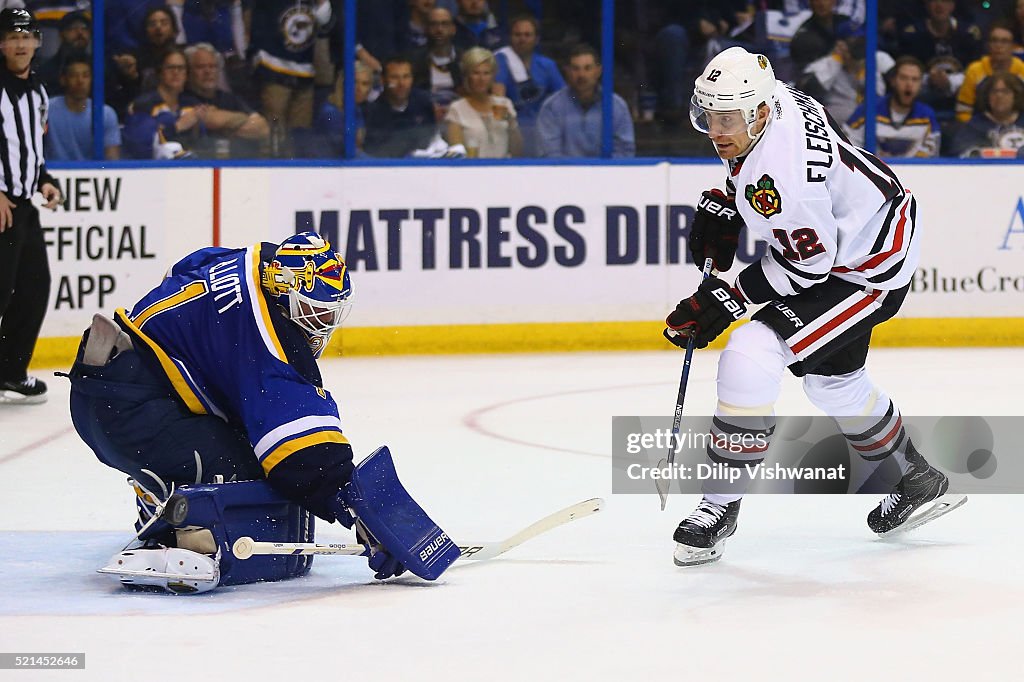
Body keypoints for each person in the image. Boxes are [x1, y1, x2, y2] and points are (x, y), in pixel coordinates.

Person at [665, 46, 964, 566]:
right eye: (709, 116)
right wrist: (734, 204)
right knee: (833, 382)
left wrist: (727, 297)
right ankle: (914, 475)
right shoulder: (775, 97)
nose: (716, 130)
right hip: (873, 226)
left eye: (727, 119)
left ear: (759, 112)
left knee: (751, 350)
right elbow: (790, 188)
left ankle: (719, 506)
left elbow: (808, 268)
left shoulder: (785, 179)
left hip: (867, 267)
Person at [66, 231, 460, 593]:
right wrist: (356, 512)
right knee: (253, 469)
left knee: (244, 432)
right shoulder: (271, 342)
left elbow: (183, 268)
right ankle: (185, 533)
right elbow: (305, 457)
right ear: (288, 295)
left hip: (114, 384)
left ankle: (163, 493)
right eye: (317, 313)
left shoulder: (256, 261)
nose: (322, 325)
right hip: (127, 412)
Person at [0, 8, 62, 405]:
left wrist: (45, 181)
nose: (20, 43)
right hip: (1, 206)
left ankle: (9, 371)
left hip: (24, 205)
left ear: (37, 41)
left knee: (34, 287)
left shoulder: (38, 91)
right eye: (12, 35)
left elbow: (31, 151)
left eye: (27, 35)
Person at [536, 44, 635, 158]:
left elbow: (625, 152)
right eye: (575, 69)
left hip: (606, 175)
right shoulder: (552, 106)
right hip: (565, 175)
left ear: (598, 71)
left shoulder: (616, 106)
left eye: (587, 68)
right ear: (567, 72)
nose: (581, 75)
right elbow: (550, 154)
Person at [184, 42, 270, 158]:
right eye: (200, 67)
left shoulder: (229, 98)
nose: (208, 72)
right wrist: (243, 119)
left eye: (212, 66)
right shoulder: (185, 98)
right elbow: (212, 120)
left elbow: (262, 128)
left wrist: (225, 125)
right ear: (188, 71)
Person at [494, 14, 563, 156]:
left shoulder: (547, 65)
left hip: (542, 129)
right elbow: (498, 98)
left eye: (527, 35)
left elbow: (563, 97)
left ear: (536, 39)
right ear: (509, 38)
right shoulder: (500, 60)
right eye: (517, 34)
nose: (522, 39)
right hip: (510, 129)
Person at [846, 56, 940, 158]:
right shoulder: (868, 110)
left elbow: (929, 157)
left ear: (921, 84)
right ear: (893, 81)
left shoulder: (927, 116)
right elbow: (847, 146)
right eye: (903, 78)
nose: (909, 84)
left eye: (915, 79)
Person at [122, 47, 202, 159]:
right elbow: (140, 144)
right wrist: (177, 127)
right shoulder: (144, 105)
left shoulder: (191, 104)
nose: (176, 72)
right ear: (160, 72)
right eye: (170, 68)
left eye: (181, 68)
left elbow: (202, 141)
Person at [445, 47, 521, 157]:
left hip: (503, 170)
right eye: (476, 73)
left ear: (493, 76)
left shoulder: (504, 104)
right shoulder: (457, 109)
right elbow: (457, 155)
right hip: (472, 171)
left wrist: (511, 122)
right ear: (467, 76)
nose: (481, 78)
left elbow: (518, 152)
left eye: (486, 73)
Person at [43, 56, 123, 161]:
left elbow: (112, 160)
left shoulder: (105, 114)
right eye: (74, 76)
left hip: (94, 176)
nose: (80, 81)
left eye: (85, 76)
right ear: (63, 80)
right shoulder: (47, 109)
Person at [364, 55, 437, 158]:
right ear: (383, 80)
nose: (401, 83)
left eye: (406, 76)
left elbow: (431, 139)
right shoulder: (372, 112)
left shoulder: (424, 103)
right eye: (394, 77)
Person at [956, 21, 1024, 121]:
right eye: (994, 41)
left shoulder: (1022, 70)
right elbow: (963, 111)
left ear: (1013, 46)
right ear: (988, 45)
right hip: (981, 128)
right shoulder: (974, 70)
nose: (998, 46)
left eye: (1004, 41)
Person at [951, 71, 1024, 156]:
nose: (999, 96)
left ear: (1016, 95)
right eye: (994, 91)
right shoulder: (974, 126)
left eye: (1005, 91)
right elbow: (961, 153)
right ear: (987, 96)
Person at [35, 9, 89, 95]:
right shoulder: (46, 71)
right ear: (62, 34)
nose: (80, 32)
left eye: (84, 28)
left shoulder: (99, 67)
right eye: (73, 28)